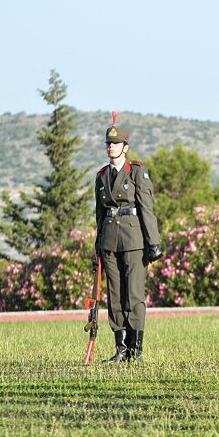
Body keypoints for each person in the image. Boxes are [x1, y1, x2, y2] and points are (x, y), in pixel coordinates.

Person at [94, 118, 162, 362]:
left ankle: (136, 349)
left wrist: (153, 241)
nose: (111, 147)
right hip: (109, 241)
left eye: (116, 143)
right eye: (108, 144)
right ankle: (121, 348)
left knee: (133, 293)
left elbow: (146, 208)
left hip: (134, 240)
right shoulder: (102, 176)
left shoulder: (136, 172)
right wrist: (97, 248)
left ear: (125, 147)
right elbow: (99, 216)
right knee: (115, 294)